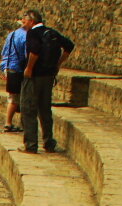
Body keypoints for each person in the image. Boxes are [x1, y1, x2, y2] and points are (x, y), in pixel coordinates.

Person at [21, 9, 75, 153]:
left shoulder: (33, 33)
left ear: (32, 21)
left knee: (28, 109)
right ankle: (48, 142)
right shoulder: (52, 32)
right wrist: (58, 64)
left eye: (24, 20)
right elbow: (69, 46)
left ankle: (31, 145)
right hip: (48, 76)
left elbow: (35, 50)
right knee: (45, 110)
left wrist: (29, 68)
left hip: (35, 76)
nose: (23, 23)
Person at [0, 14, 32, 132]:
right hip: (18, 68)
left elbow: (4, 52)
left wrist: (4, 68)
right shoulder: (26, 36)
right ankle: (10, 123)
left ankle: (9, 122)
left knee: (13, 97)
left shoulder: (12, 34)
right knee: (19, 98)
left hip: (9, 67)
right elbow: (26, 55)